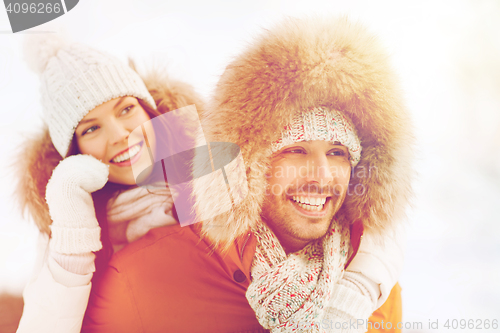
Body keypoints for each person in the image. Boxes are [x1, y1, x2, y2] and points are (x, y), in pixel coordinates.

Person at [83, 16, 412, 333]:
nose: (322, 175)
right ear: (249, 164)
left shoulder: (369, 279)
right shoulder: (139, 283)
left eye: (337, 152)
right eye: (295, 150)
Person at [15, 34, 203, 333]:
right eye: (91, 129)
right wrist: (73, 240)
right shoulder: (65, 235)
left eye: (126, 109)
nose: (119, 134)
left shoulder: (215, 173)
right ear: (75, 154)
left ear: (148, 109)